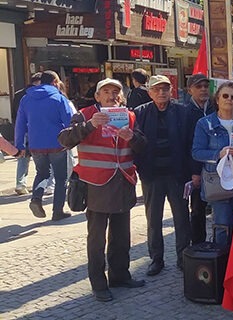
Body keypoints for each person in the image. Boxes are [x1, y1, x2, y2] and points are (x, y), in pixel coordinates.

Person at [58, 78, 146, 302]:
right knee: (96, 238)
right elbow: (64, 140)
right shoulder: (85, 114)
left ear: (121, 96)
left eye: (115, 92)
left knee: (122, 235)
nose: (111, 96)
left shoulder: (130, 115)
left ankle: (120, 275)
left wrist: (132, 137)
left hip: (123, 181)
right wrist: (90, 126)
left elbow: (144, 144)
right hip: (95, 184)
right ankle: (98, 283)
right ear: (97, 96)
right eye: (105, 92)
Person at [134, 75, 203, 276]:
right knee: (153, 219)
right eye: (157, 89)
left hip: (177, 175)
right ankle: (156, 259)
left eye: (165, 89)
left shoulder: (183, 112)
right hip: (151, 175)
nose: (161, 93)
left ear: (171, 90)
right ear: (150, 92)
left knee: (182, 218)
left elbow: (192, 143)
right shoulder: (141, 113)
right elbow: (135, 143)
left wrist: (194, 171)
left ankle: (183, 257)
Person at [192, 81, 233, 245]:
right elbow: (196, 152)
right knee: (222, 227)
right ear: (217, 99)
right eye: (225, 96)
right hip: (219, 182)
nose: (229, 100)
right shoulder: (205, 124)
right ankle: (222, 266)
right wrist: (218, 154)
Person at [14, 70, 73, 220]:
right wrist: (73, 140)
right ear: (54, 82)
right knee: (60, 178)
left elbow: (20, 123)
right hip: (58, 143)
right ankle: (57, 211)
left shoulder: (26, 98)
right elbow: (69, 121)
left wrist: (19, 145)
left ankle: (36, 198)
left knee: (42, 173)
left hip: (35, 144)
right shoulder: (59, 97)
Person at [185, 73, 214, 245]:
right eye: (198, 86)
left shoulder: (216, 107)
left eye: (206, 86)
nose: (203, 89)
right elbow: (186, 145)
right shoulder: (185, 112)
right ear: (190, 90)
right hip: (197, 169)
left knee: (219, 207)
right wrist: (194, 172)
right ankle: (198, 246)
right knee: (197, 210)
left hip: (217, 167)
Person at [12, 72, 44, 195]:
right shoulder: (38, 95)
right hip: (36, 130)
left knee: (22, 158)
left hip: (22, 129)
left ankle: (20, 183)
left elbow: (15, 114)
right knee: (40, 158)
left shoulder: (18, 94)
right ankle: (42, 182)